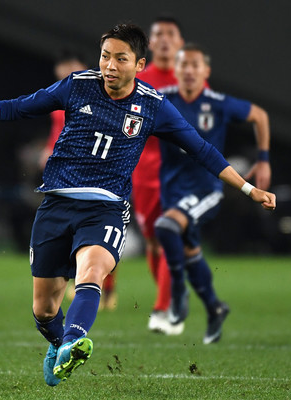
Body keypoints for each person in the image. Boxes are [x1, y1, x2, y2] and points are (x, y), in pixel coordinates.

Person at [0, 24, 276, 386]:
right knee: (44, 309)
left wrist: (248, 189)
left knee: (92, 270)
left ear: (140, 64)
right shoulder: (77, 85)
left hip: (106, 208)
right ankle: (58, 343)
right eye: (105, 56)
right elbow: (19, 107)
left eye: (120, 59)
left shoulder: (153, 106)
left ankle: (73, 341)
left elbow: (202, 150)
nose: (110, 66)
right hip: (56, 204)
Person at [154, 42, 272, 344]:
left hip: (206, 187)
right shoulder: (161, 100)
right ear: (175, 70)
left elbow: (259, 115)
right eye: (184, 64)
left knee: (167, 227)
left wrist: (263, 160)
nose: (189, 70)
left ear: (206, 71)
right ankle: (215, 308)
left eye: (195, 65)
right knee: (190, 251)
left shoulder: (217, 103)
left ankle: (177, 293)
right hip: (172, 190)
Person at [38, 51, 119, 311]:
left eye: (70, 67)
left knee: (103, 232)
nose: (65, 73)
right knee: (75, 231)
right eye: (61, 69)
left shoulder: (100, 93)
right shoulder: (62, 95)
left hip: (103, 174)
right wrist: (49, 150)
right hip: (69, 175)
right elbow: (58, 131)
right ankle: (85, 281)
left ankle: (105, 286)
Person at [133, 16, 185, 335]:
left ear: (180, 43)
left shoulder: (190, 79)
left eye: (170, 34)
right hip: (143, 172)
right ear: (150, 43)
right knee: (153, 242)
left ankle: (162, 308)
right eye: (159, 34)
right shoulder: (138, 79)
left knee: (169, 234)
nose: (164, 39)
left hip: (179, 172)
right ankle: (172, 296)